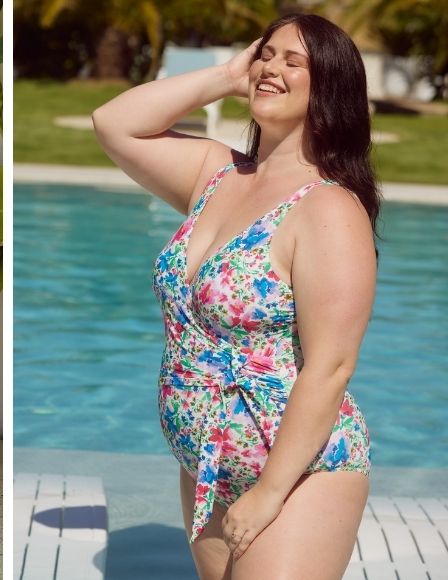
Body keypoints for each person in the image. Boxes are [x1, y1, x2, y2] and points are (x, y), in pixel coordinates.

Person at [93, 13, 377, 579]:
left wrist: (269, 492)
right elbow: (113, 122)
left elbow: (331, 365)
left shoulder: (328, 209)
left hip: (296, 472)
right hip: (207, 460)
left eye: (294, 62)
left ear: (330, 87)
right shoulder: (216, 173)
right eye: (266, 55)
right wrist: (225, 74)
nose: (271, 68)